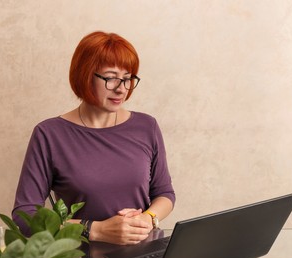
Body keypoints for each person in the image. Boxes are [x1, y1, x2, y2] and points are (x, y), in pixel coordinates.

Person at [12, 31, 175, 245]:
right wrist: (95, 230)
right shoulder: (49, 134)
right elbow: (24, 216)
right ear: (85, 75)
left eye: (127, 79)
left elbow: (164, 193)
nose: (121, 89)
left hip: (144, 257)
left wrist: (148, 218)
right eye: (110, 78)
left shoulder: (147, 126)